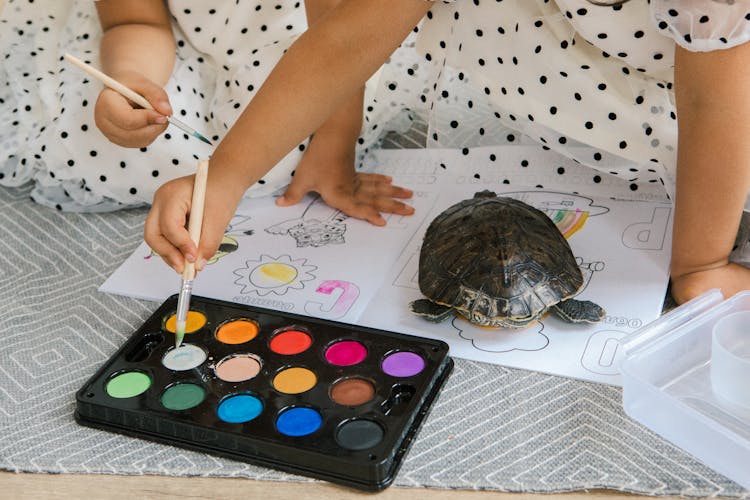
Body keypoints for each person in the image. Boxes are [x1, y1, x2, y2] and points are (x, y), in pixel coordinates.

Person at [143, 0, 750, 305]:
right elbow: (349, 29)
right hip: (606, 57)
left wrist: (699, 264)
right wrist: (225, 176)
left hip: (722, 88)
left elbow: (718, 107)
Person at [0, 0, 414, 214]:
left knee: (285, 145)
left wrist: (336, 139)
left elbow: (341, 39)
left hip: (317, 35)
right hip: (182, 40)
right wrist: (133, 81)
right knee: (153, 155)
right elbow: (134, 22)